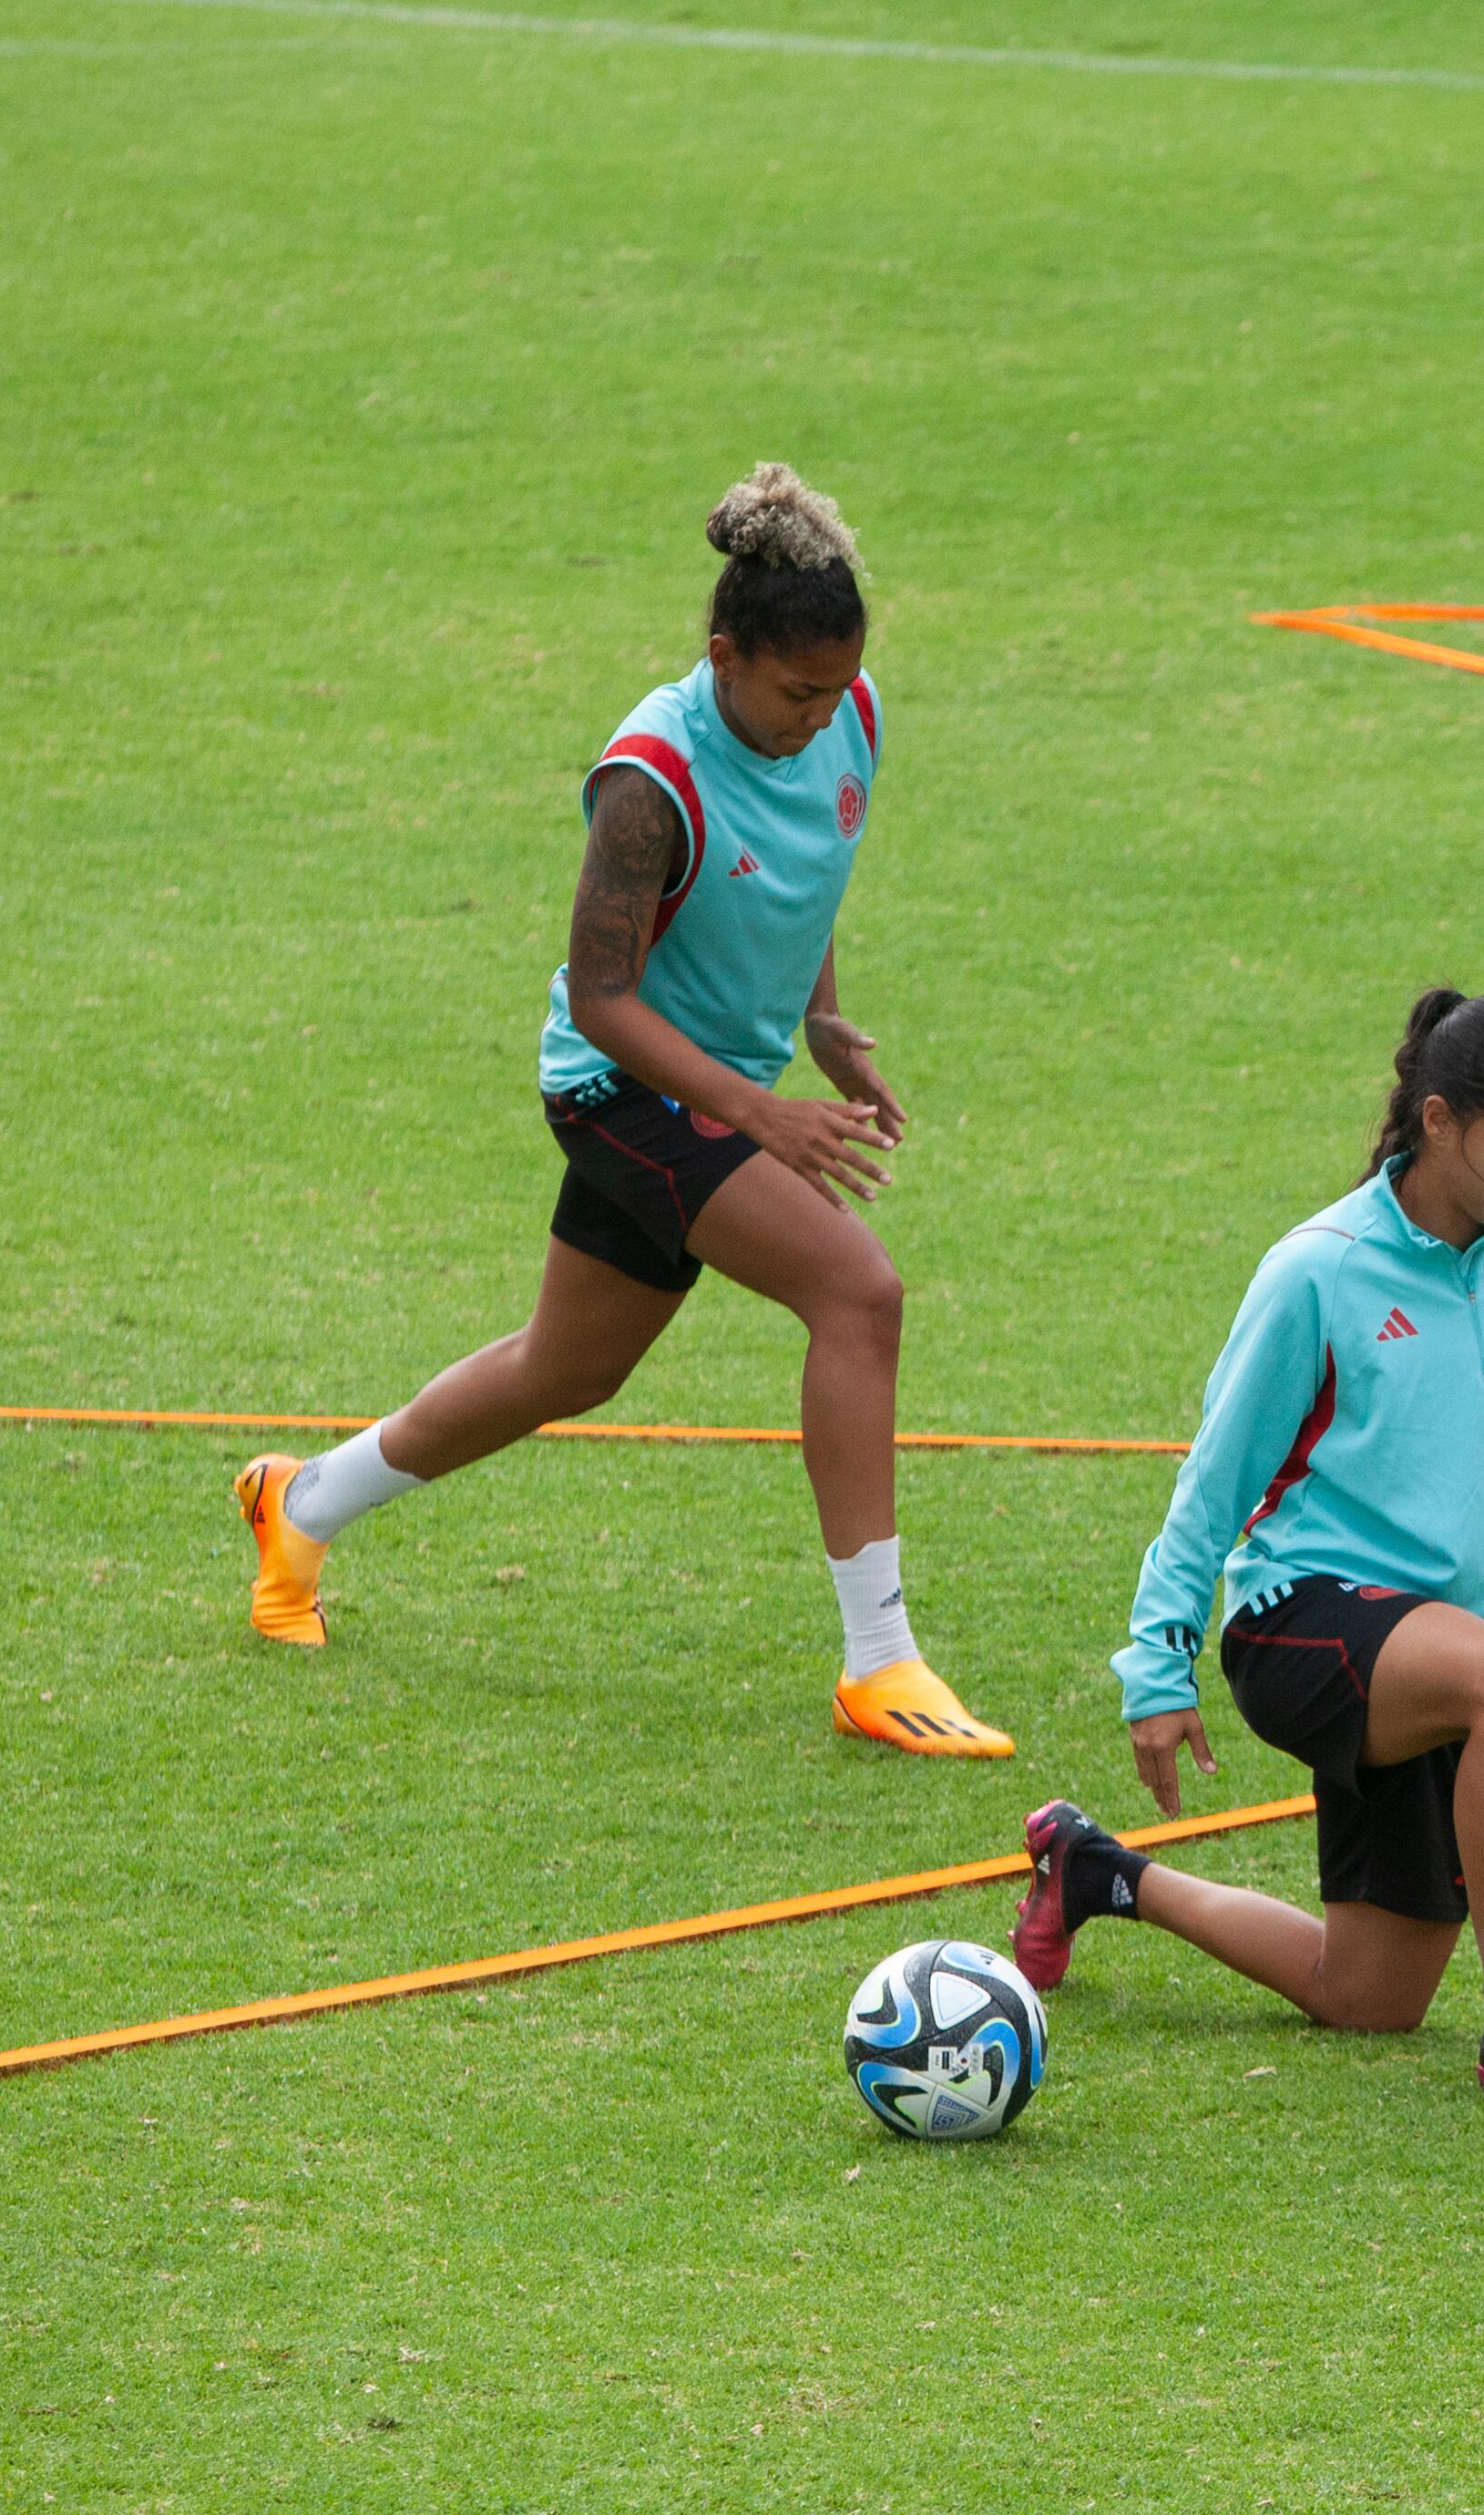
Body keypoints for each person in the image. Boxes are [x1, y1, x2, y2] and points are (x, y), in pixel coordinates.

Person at [229, 464, 1010, 1756]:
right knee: (858, 1292)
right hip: (622, 1087)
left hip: (716, 1085)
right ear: (723, 656)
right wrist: (762, 1116)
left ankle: (300, 1504)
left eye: (835, 688)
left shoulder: (851, 714)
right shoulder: (650, 778)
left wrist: (818, 1020)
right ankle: (881, 1661)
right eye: (794, 692)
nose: (820, 717)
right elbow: (602, 998)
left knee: (568, 1368)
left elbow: (806, 868)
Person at [1008, 989, 1484, 2106]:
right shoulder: (1318, 1272)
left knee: (1366, 1994)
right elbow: (1213, 1483)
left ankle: (1095, 1871)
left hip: (1432, 1654)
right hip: (1303, 1626)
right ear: (1440, 1121)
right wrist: (1155, 1667)